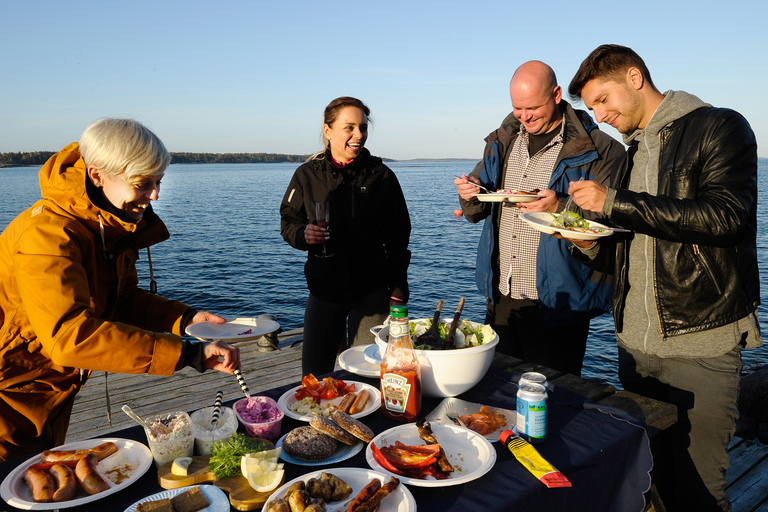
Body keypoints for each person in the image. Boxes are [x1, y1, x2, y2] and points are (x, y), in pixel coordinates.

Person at [565, 44, 761, 512]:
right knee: (650, 483)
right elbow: (639, 246)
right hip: (635, 346)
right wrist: (587, 241)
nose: (600, 114)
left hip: (701, 345)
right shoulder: (631, 154)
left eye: (603, 100)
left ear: (635, 77)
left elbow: (727, 217)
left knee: (698, 492)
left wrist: (612, 202)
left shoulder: (720, 126)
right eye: (591, 108)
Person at [0, 118, 241, 462]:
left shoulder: (108, 226)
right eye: (143, 183)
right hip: (9, 399)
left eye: (158, 182)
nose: (155, 195)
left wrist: (184, 319)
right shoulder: (47, 235)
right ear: (97, 175)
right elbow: (70, 337)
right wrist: (187, 354)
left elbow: (123, 299)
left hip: (47, 396)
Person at [454, 61, 624, 376]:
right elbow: (475, 211)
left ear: (557, 95)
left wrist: (559, 207)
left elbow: (610, 225)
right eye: (517, 108)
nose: (525, 116)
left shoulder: (603, 150)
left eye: (533, 107)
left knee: (555, 401)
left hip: (561, 304)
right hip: (502, 296)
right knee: (498, 394)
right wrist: (469, 195)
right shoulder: (501, 142)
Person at [280, 97, 411, 376]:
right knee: (315, 378)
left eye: (362, 127)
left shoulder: (381, 176)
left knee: (368, 375)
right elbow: (288, 222)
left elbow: (399, 237)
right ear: (328, 131)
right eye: (349, 127)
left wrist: (398, 289)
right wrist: (304, 234)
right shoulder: (306, 175)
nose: (359, 135)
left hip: (371, 292)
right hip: (325, 291)